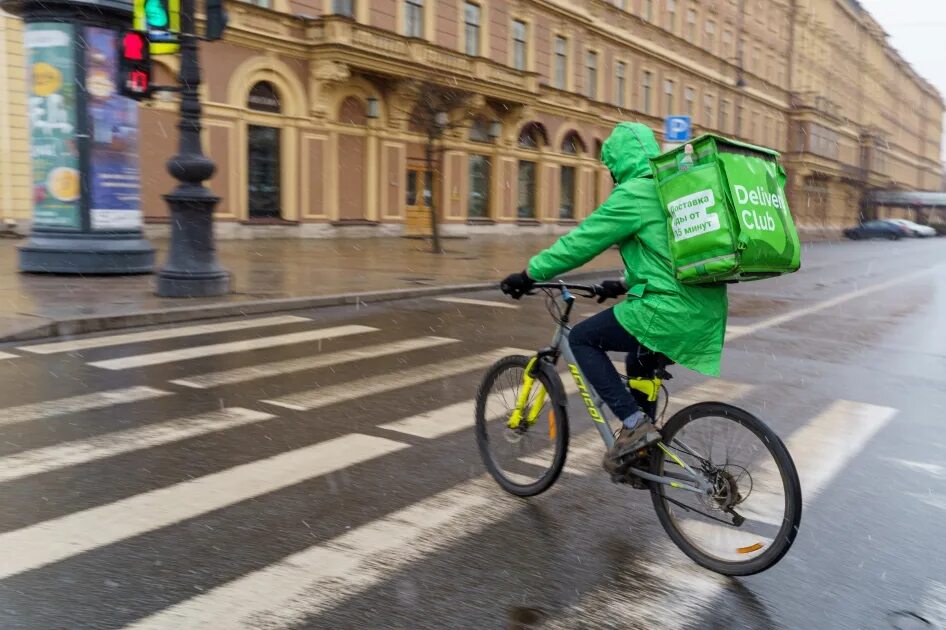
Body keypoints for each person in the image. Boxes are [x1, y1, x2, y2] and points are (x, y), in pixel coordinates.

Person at [501, 122, 728, 474]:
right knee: (640, 360)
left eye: (611, 167)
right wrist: (622, 283)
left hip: (667, 308)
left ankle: (636, 425)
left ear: (619, 162)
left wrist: (530, 273)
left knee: (582, 339)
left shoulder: (635, 193)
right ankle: (642, 455)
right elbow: (669, 255)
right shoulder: (673, 188)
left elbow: (582, 242)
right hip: (703, 308)